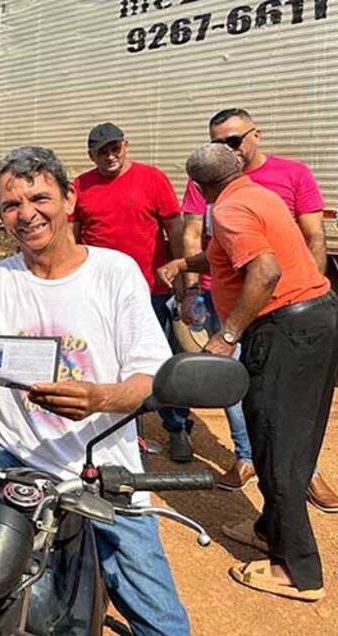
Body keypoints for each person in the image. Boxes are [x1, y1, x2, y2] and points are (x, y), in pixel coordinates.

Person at [0, 146, 190, 635]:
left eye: (39, 197)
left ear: (70, 199)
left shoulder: (115, 274)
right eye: (11, 205)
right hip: (12, 455)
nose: (26, 214)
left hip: (104, 471)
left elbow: (151, 382)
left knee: (163, 623)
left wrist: (98, 399)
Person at [159, 143, 336, 602]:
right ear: (236, 166)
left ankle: (298, 572)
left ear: (198, 187)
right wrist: (185, 262)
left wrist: (228, 335)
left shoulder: (232, 210)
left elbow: (265, 270)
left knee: (278, 446)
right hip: (314, 320)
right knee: (283, 435)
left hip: (284, 331)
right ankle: (267, 529)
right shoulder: (257, 196)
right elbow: (226, 254)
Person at [175, 107, 338, 510]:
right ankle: (247, 459)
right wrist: (188, 279)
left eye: (233, 140)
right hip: (228, 300)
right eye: (218, 143)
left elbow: (311, 238)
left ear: (255, 135)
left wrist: (304, 298)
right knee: (238, 391)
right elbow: (198, 237)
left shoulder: (290, 175)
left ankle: (305, 474)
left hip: (281, 314)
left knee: (285, 408)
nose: (228, 149)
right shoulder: (211, 180)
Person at [69, 123, 194, 463]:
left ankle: (177, 425)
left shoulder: (152, 179)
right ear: (90, 155)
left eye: (115, 148)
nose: (110, 156)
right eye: (101, 151)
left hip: (150, 290)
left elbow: (175, 229)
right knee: (108, 362)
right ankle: (128, 433)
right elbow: (73, 236)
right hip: (98, 293)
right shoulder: (81, 186)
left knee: (163, 361)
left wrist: (183, 275)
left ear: (125, 146)